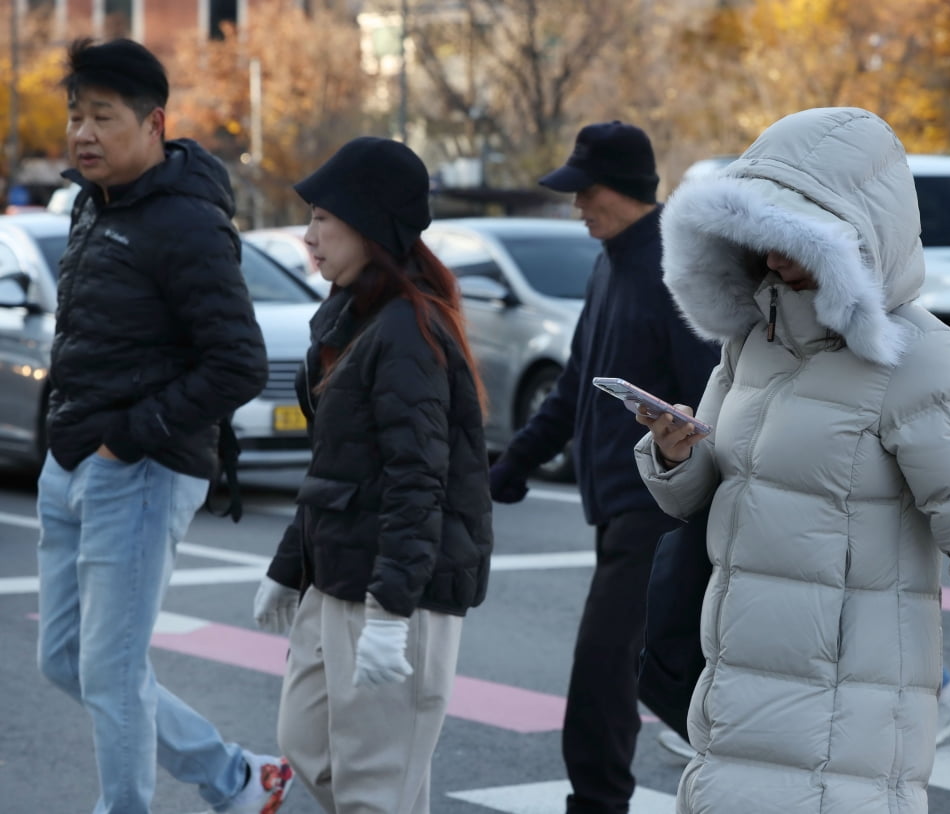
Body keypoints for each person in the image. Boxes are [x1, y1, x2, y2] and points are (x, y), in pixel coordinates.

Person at [633, 107, 950, 813]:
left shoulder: (921, 358)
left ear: (860, 238)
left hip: (849, 710)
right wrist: (673, 452)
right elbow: (702, 495)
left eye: (794, 242)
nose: (773, 259)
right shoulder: (755, 338)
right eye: (759, 238)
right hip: (737, 688)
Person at [35, 38, 287, 814]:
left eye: (102, 118)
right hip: (72, 461)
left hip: (138, 473)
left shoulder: (186, 222)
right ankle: (236, 778)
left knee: (109, 672)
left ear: (153, 124)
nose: (82, 134)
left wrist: (129, 437)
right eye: (76, 115)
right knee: (66, 660)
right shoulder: (92, 202)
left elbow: (238, 363)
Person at [251, 136, 493, 814]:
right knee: (308, 746)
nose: (309, 235)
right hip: (336, 576)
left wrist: (390, 614)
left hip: (397, 593)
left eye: (324, 217)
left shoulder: (409, 332)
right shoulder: (350, 318)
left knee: (374, 790)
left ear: (370, 224)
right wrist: (287, 566)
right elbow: (336, 464)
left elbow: (419, 480)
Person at [488, 121, 720, 814]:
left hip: (657, 507)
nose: (576, 205)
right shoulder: (610, 260)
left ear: (620, 190)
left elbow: (711, 395)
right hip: (618, 503)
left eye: (584, 191)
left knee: (604, 669)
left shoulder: (671, 271)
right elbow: (578, 383)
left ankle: (598, 801)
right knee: (640, 668)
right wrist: (516, 461)